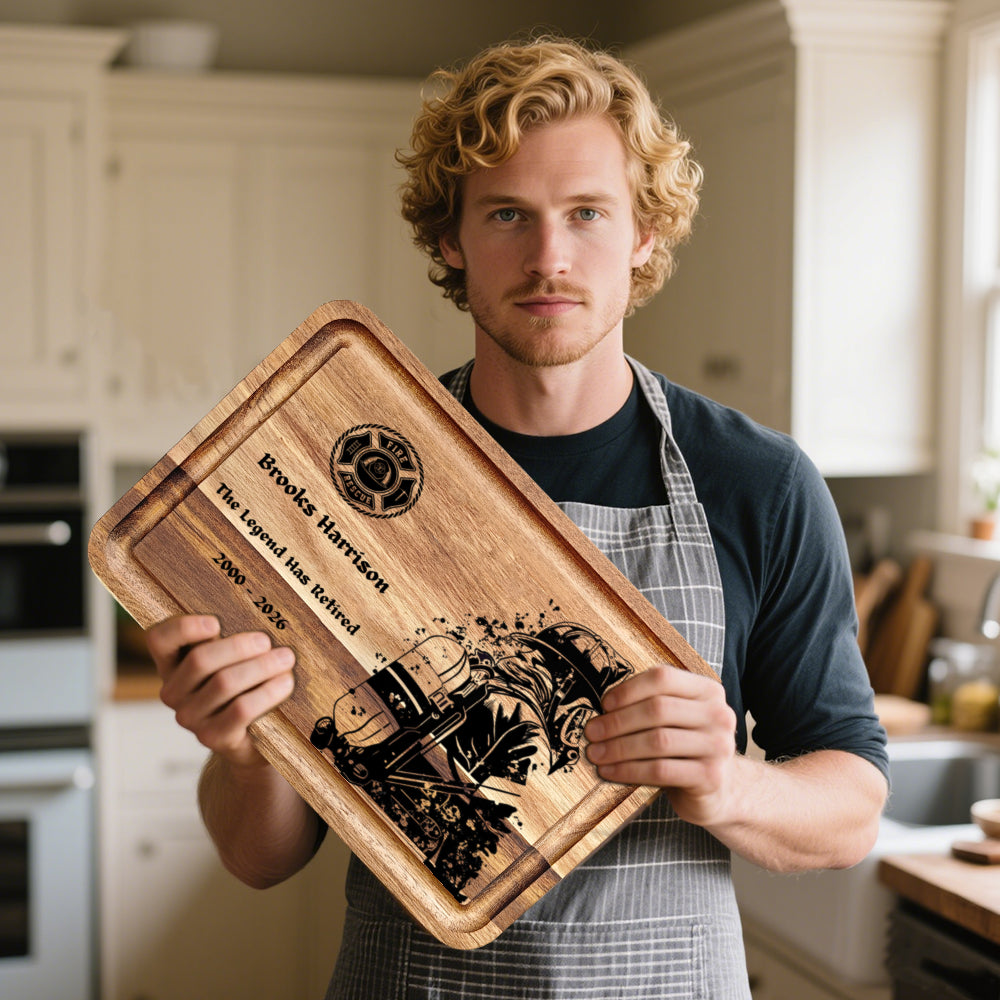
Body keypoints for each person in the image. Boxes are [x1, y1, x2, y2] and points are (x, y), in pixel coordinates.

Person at [146, 35, 889, 999]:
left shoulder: (759, 482)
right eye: (508, 215)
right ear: (450, 240)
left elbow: (855, 806)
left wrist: (731, 783)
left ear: (644, 236)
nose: (550, 257)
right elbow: (261, 858)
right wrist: (244, 750)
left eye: (588, 213)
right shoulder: (350, 478)